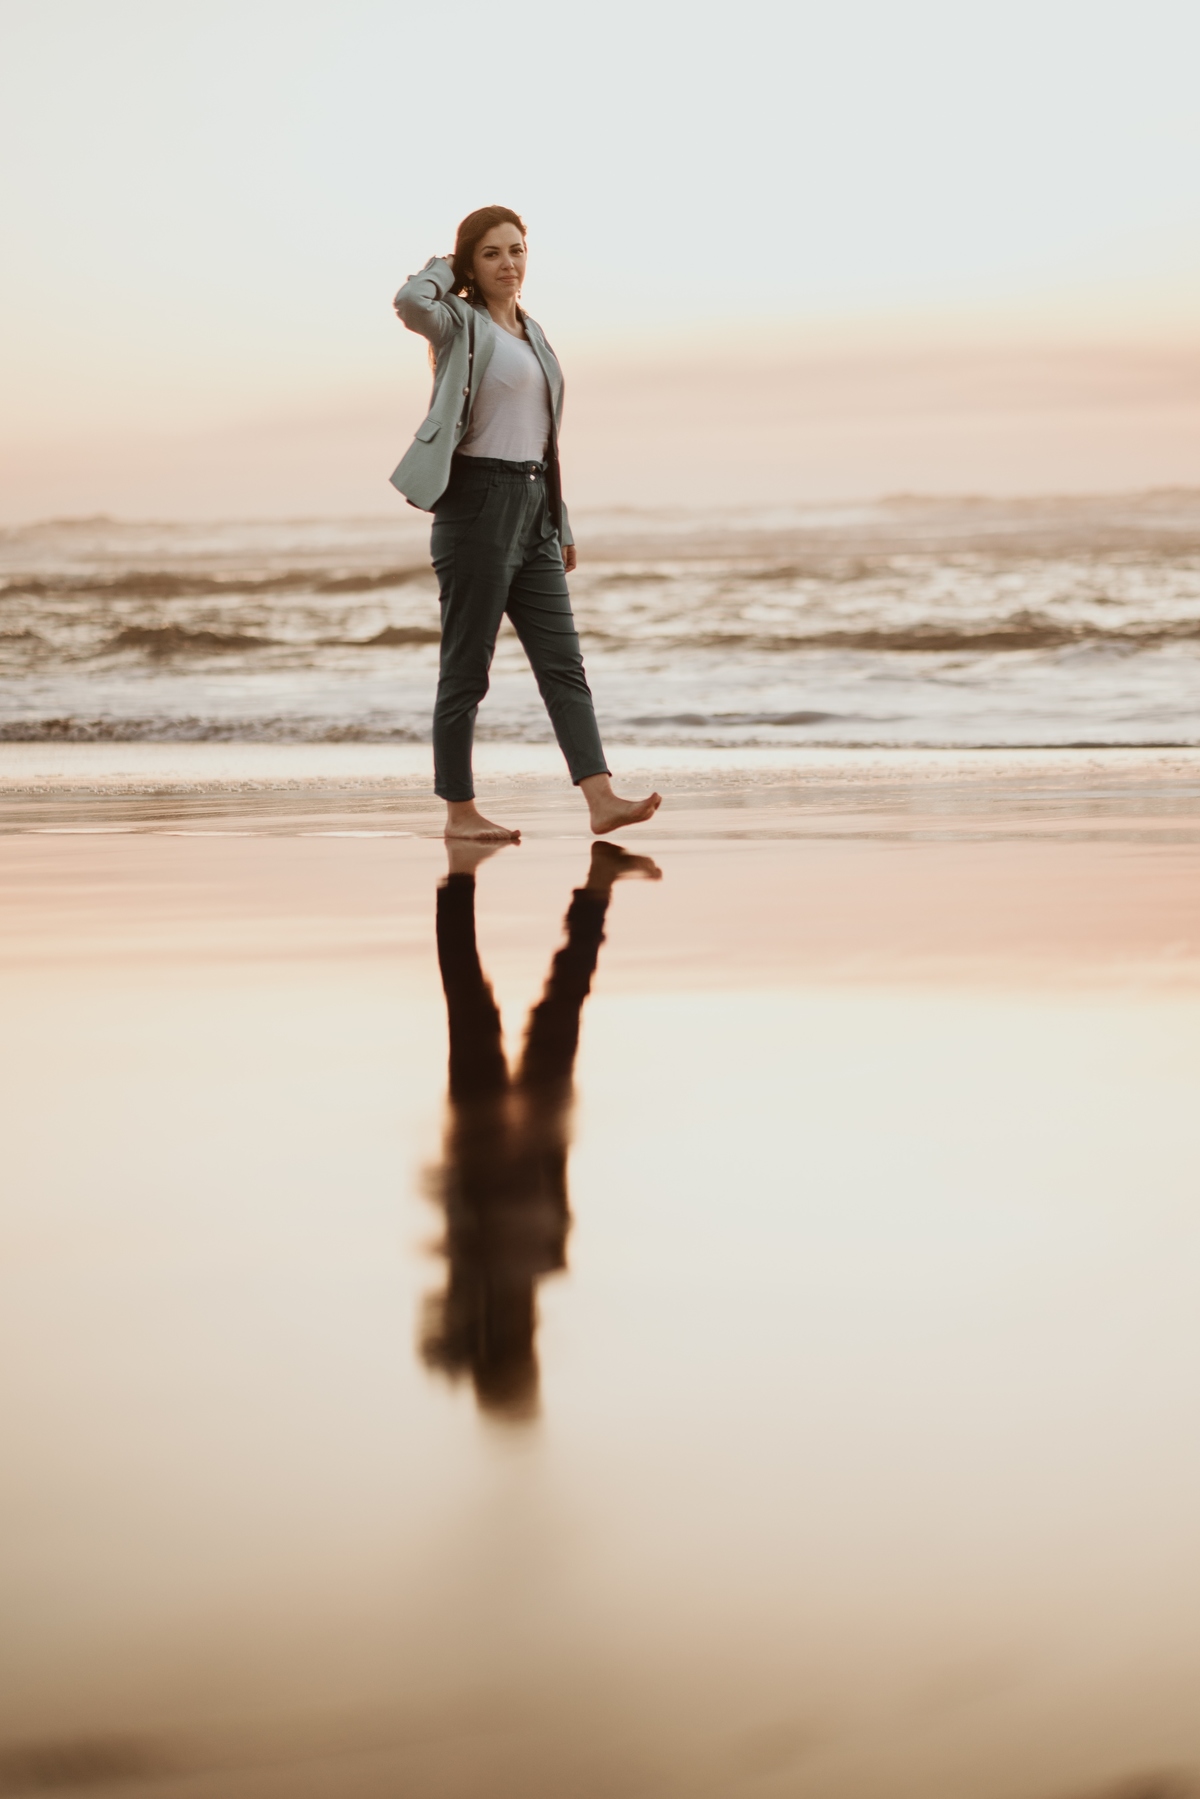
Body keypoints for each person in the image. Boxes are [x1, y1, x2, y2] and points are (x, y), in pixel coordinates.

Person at [391, 205, 662, 844]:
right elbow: (408, 301)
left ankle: (600, 799)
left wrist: (559, 520)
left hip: (534, 509)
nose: (507, 263)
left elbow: (542, 437)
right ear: (469, 263)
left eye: (516, 250)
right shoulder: (458, 323)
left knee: (564, 664)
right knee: (467, 670)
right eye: (490, 253)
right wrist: (442, 271)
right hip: (475, 505)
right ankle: (459, 813)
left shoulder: (535, 335)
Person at [421, 839, 661, 1419]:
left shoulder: (523, 1266)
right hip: (498, 1136)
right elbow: (463, 1198)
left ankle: (584, 886)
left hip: (507, 1135)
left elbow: (469, 1198)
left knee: (539, 1000)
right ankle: (462, 885)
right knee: (475, 999)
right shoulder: (491, 1274)